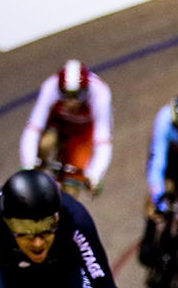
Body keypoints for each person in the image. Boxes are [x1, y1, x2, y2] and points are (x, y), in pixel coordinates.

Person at [20, 61, 113, 195]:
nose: (71, 102)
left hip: (81, 133)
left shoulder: (100, 93)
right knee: (46, 143)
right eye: (65, 95)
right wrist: (28, 162)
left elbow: (102, 140)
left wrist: (95, 175)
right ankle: (34, 181)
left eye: (78, 96)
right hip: (58, 125)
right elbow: (33, 128)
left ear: (87, 90)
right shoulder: (50, 86)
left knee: (71, 190)